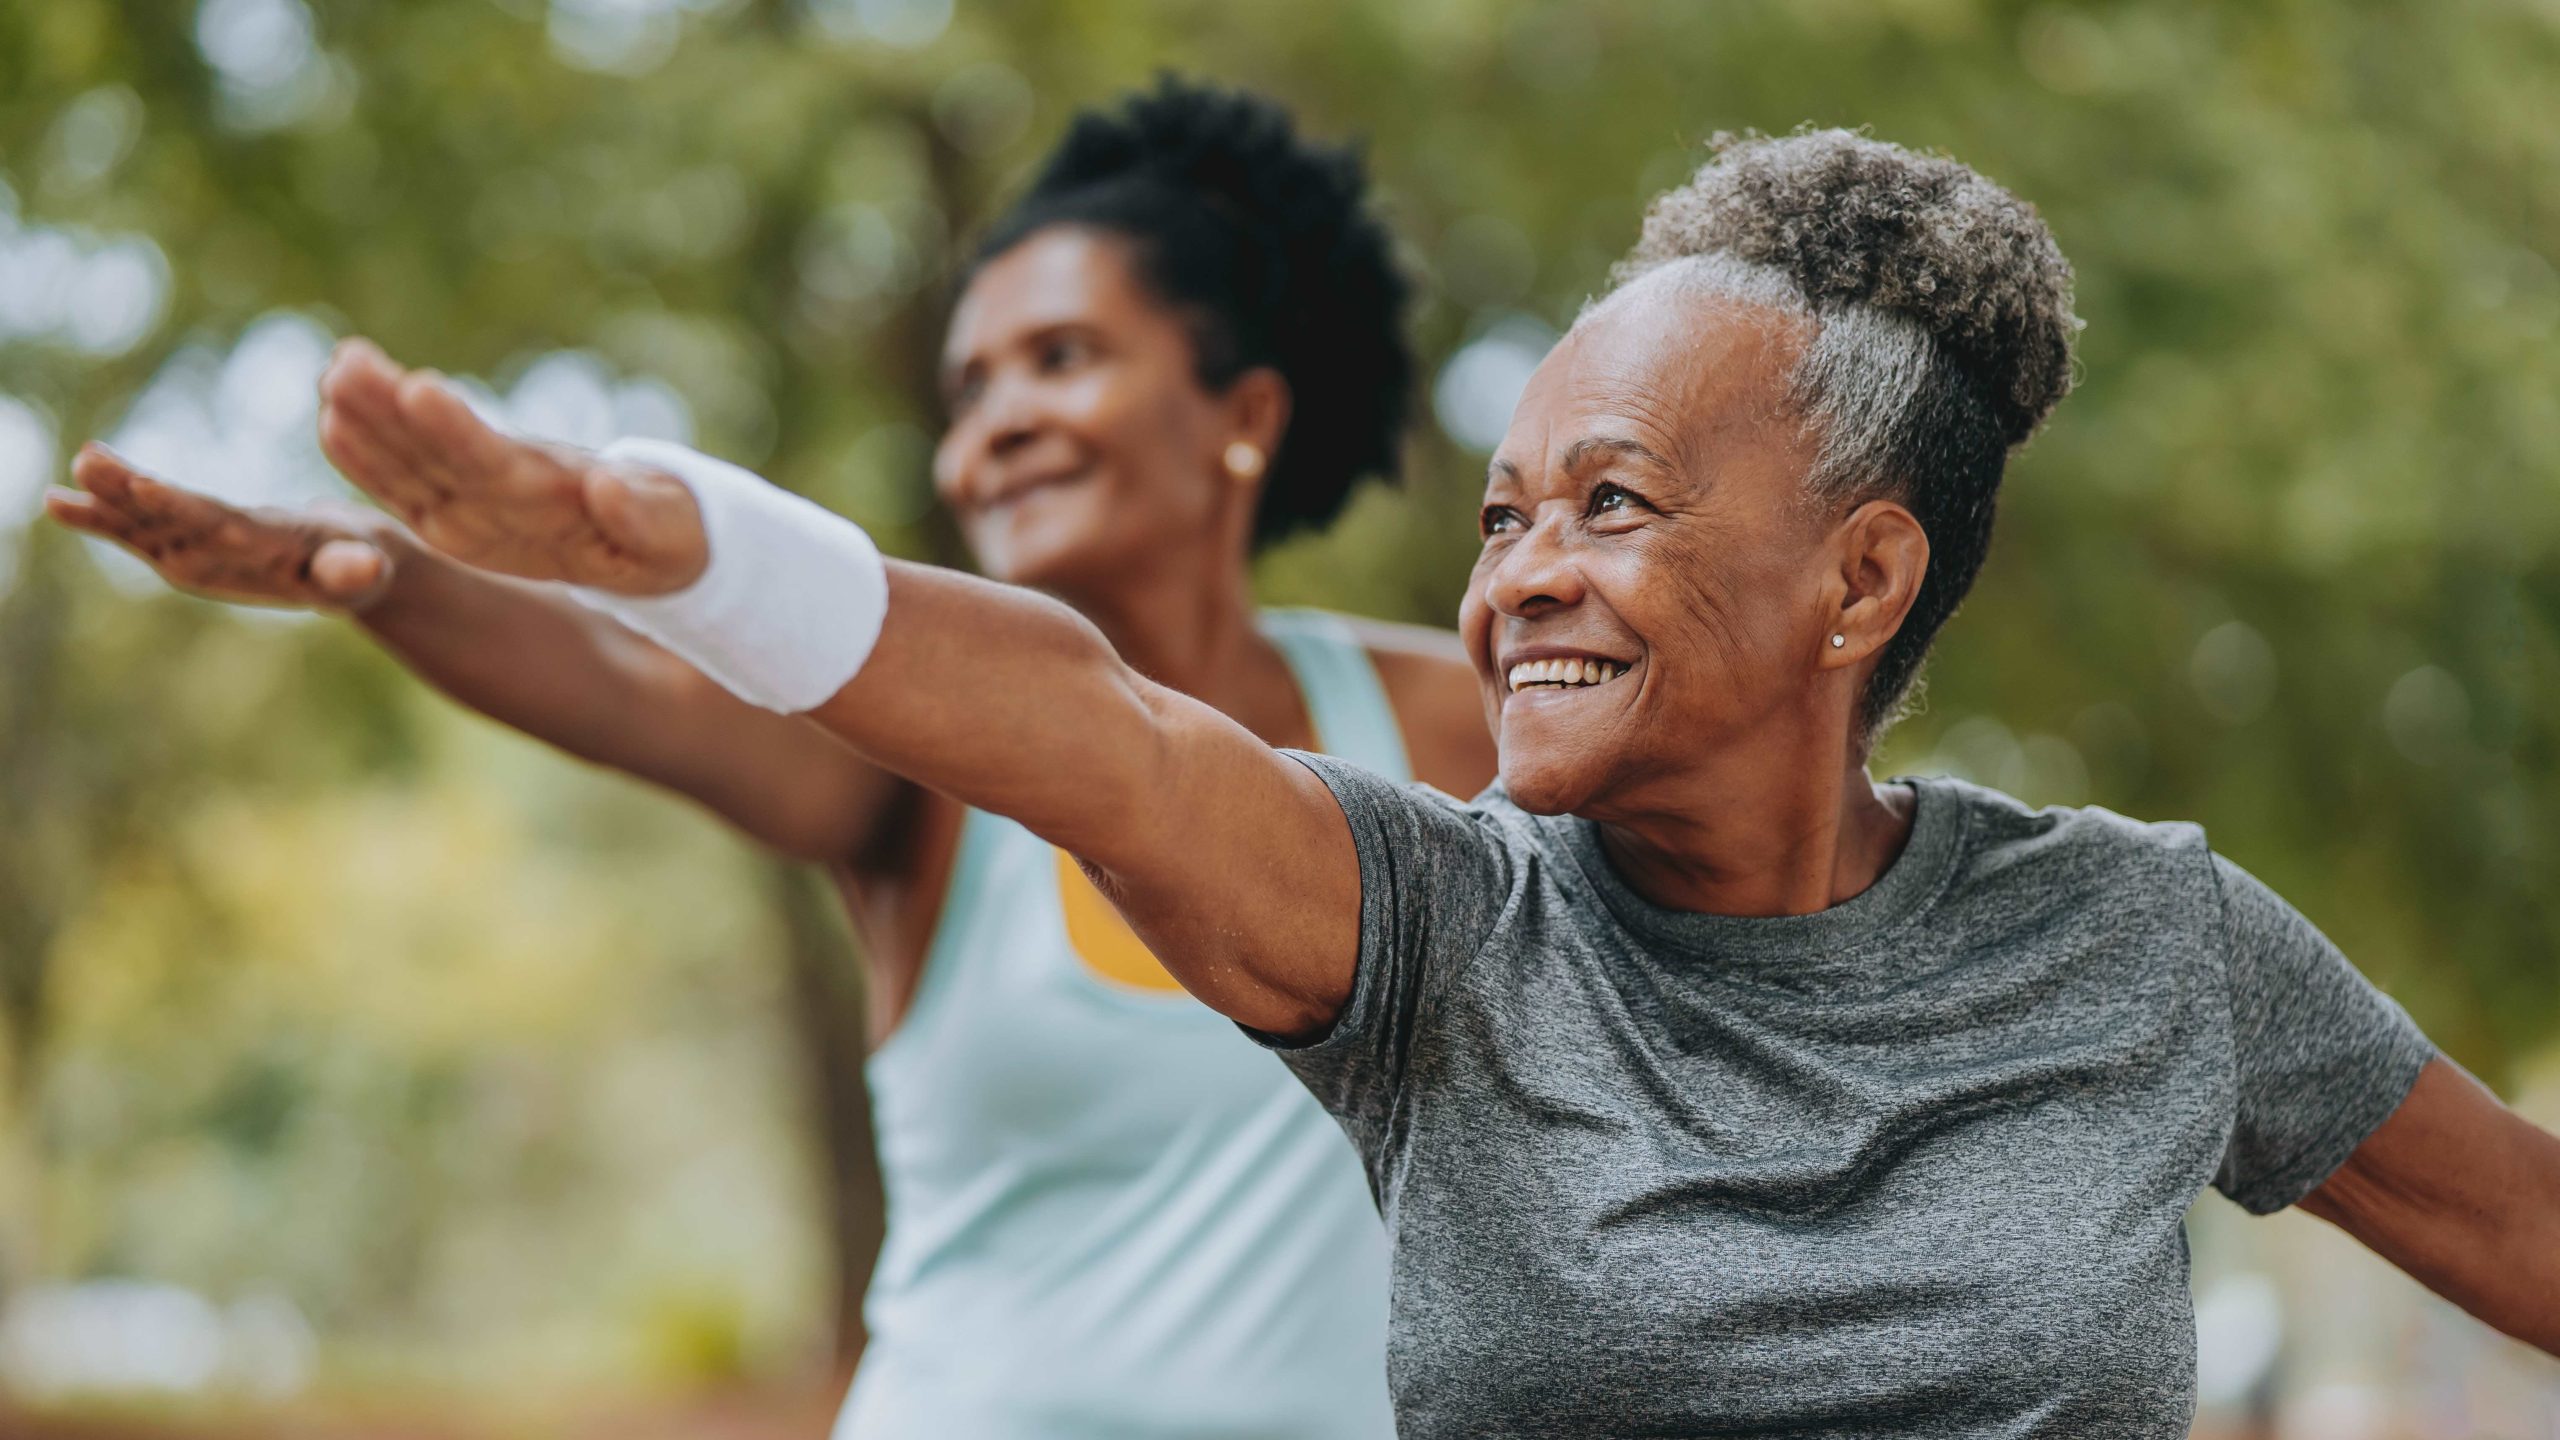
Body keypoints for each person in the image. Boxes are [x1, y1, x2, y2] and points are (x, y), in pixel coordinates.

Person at [73, 127, 2560, 1436]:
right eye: (1498, 517)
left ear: (1859, 578)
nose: (1521, 580)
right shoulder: (1435, 932)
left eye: (1609, 505)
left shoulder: (2145, 943)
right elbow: (1092, 727)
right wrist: (679, 548)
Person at [49, 80, 1491, 1438]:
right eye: (968, 389)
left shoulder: (1439, 724)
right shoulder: (922, 777)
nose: (995, 428)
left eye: (1061, 358)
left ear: (1245, 415)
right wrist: (389, 576)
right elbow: (635, 683)